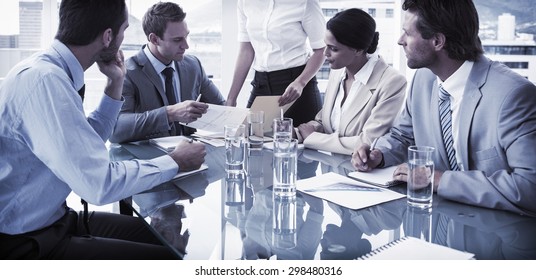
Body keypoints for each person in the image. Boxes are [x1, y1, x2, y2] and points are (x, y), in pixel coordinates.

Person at [0, 0, 205, 259]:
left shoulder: (48, 71)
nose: (124, 38)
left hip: (57, 220)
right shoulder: (46, 82)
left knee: (166, 243)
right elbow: (100, 184)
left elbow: (86, 144)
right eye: (123, 30)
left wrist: (114, 83)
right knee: (167, 258)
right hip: (28, 242)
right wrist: (174, 161)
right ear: (108, 36)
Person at [352, 0, 536, 216]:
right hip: (436, 221)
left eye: (407, 34)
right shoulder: (422, 80)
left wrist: (439, 179)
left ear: (437, 41)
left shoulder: (513, 95)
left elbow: (530, 186)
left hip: (499, 235)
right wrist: (379, 154)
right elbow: (403, 136)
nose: (400, 41)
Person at [110, 2, 225, 143]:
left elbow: (222, 108)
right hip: (147, 159)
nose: (186, 46)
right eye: (177, 40)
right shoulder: (127, 73)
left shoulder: (193, 66)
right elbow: (116, 130)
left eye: (186, 36)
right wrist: (170, 114)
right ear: (154, 39)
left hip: (191, 156)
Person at [295, 8, 407, 155]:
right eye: (326, 45)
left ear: (358, 50)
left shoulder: (392, 82)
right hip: (329, 169)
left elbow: (367, 142)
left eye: (333, 49)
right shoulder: (337, 72)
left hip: (361, 173)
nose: (325, 53)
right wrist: (296, 133)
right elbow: (324, 122)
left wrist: (312, 138)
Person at [225, 0, 326, 126]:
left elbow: (322, 49)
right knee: (251, 137)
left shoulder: (305, 3)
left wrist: (300, 82)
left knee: (302, 141)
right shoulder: (245, 3)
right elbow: (246, 50)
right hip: (261, 84)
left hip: (296, 86)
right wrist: (231, 98)